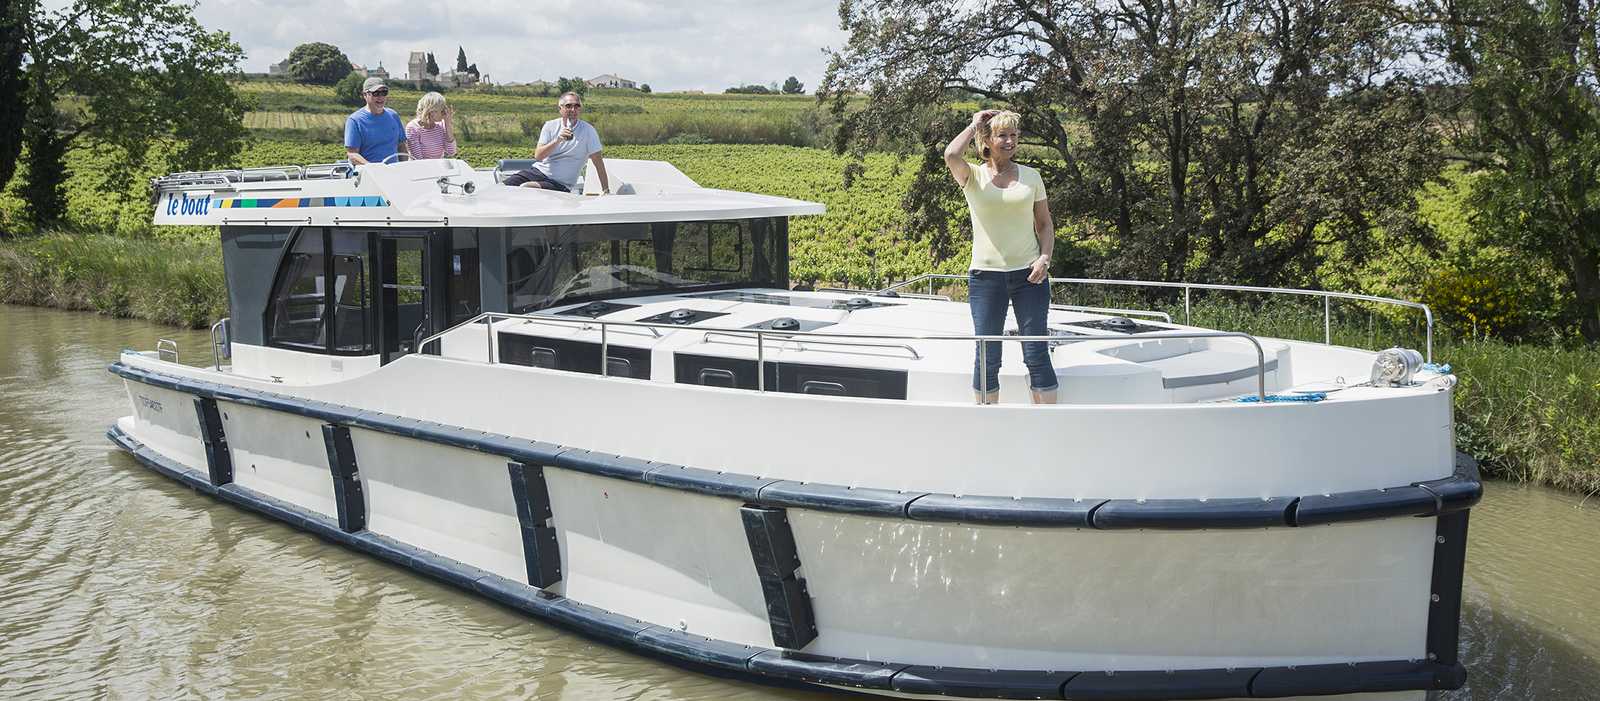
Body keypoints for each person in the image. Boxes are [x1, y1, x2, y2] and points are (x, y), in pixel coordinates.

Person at [943, 109, 1057, 404]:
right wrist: (973, 124)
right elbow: (951, 153)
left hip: (1029, 276)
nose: (1010, 141)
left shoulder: (1032, 177)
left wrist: (1044, 257)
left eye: (1014, 135)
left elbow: (1044, 224)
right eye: (1002, 135)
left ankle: (1049, 425)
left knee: (1036, 353)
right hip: (985, 278)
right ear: (988, 140)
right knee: (987, 354)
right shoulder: (973, 175)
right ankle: (987, 423)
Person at [503, 92, 610, 194]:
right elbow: (538, 156)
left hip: (560, 184)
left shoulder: (588, 131)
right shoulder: (550, 126)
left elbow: (598, 162)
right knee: (503, 187)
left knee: (526, 188)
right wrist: (558, 140)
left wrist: (606, 190)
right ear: (560, 109)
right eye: (568, 106)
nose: (573, 109)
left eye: (577, 106)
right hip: (537, 172)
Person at [344, 77, 408, 165]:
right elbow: (352, 154)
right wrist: (372, 167)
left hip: (394, 172)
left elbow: (401, 145)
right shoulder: (354, 120)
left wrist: (404, 167)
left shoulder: (393, 115)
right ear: (365, 95)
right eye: (376, 93)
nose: (380, 97)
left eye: (384, 93)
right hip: (368, 174)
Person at [405, 92, 458, 160]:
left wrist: (447, 123)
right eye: (442, 110)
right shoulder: (413, 127)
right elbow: (417, 158)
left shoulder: (441, 125)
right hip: (420, 168)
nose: (444, 112)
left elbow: (451, 152)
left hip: (437, 166)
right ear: (431, 111)